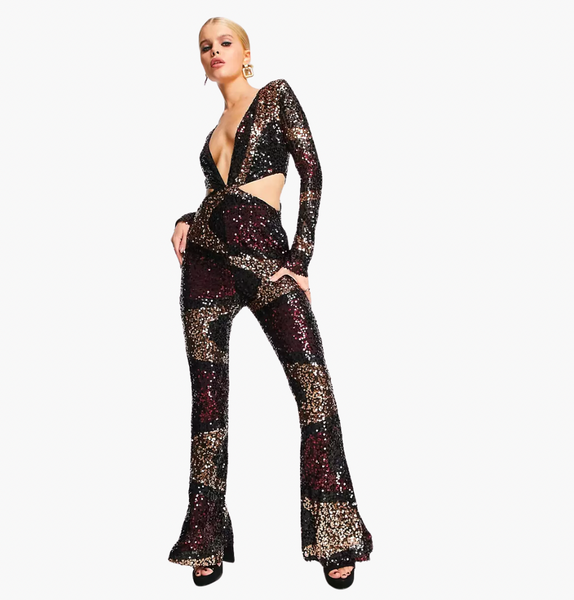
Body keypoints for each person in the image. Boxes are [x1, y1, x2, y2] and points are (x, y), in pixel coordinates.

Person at [168, 16, 373, 589]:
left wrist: (300, 258)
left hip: (267, 261)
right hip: (205, 267)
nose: (214, 52)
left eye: (224, 42)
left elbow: (312, 173)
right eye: (205, 47)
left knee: (315, 390)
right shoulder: (212, 131)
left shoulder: (276, 97)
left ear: (246, 51)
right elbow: (221, 195)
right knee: (208, 408)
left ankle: (334, 532)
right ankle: (204, 538)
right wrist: (186, 217)